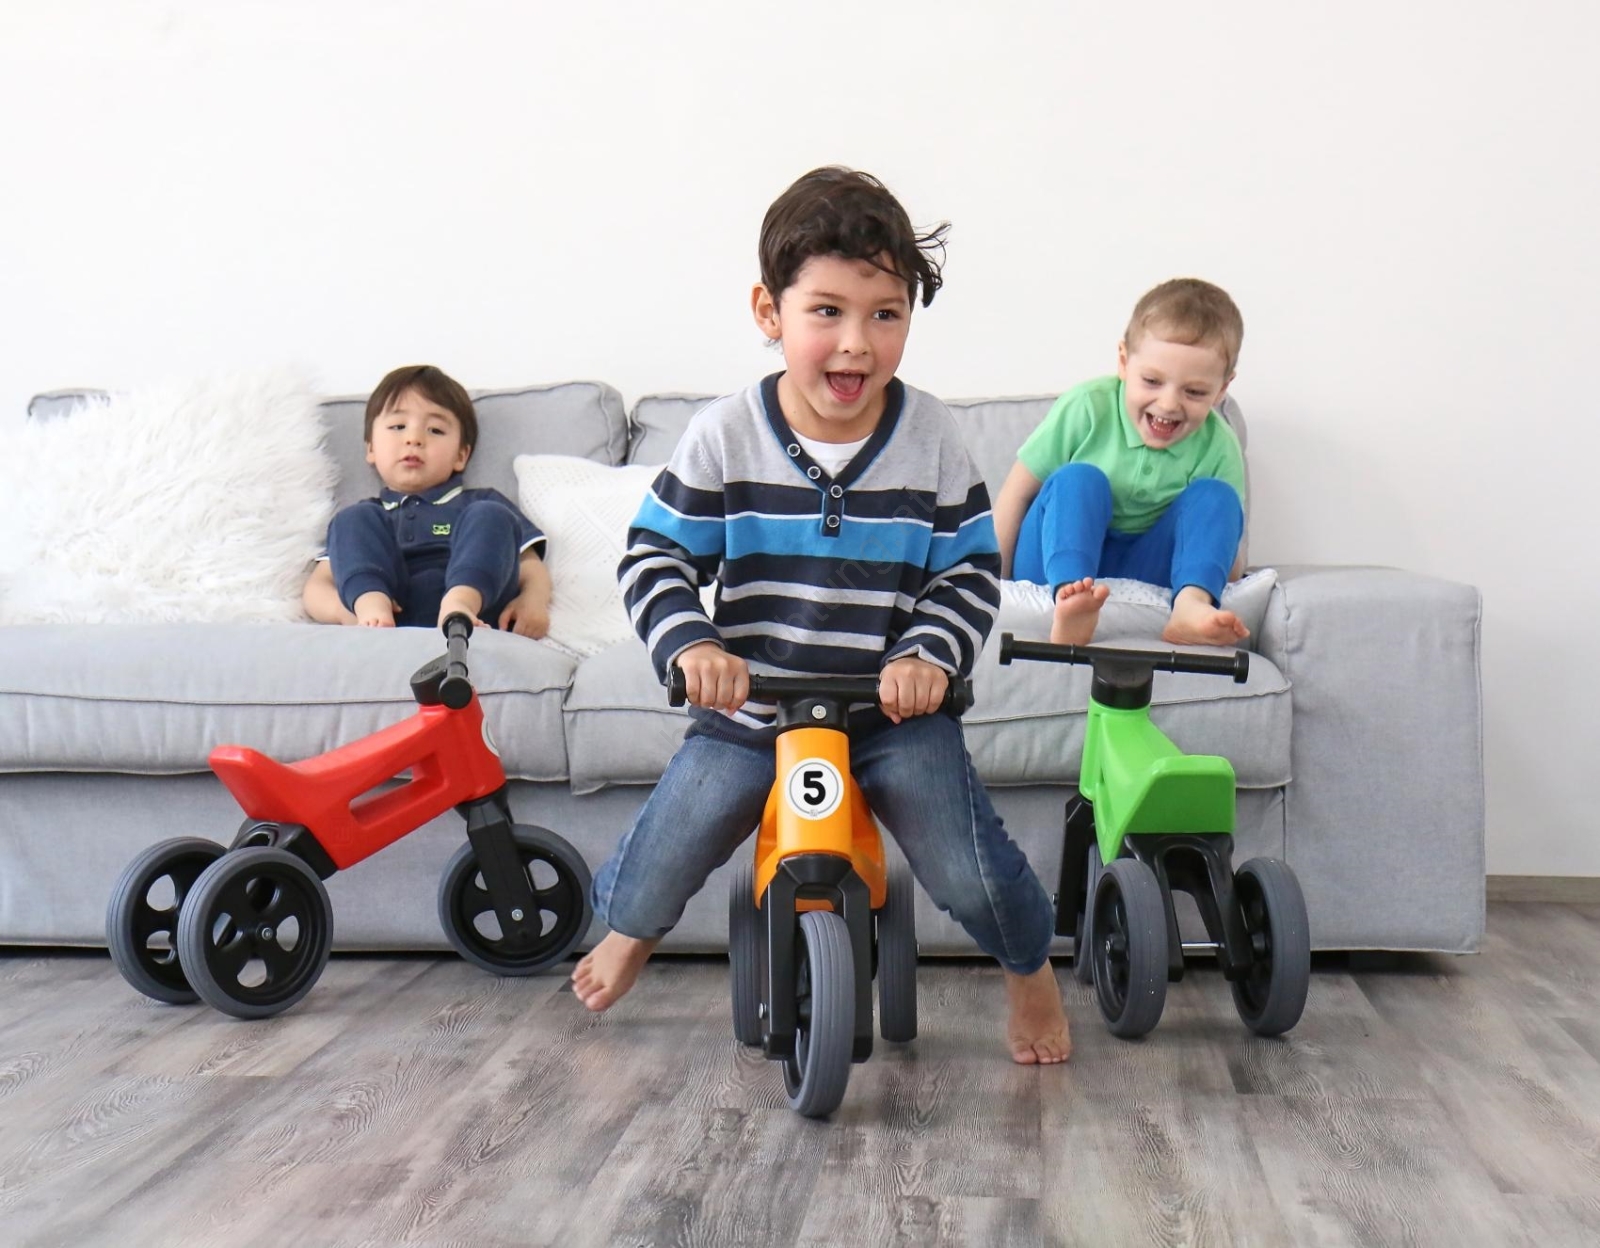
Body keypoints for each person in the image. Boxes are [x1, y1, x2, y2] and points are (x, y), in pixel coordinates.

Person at [571, 167, 1070, 1065]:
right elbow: (655, 558)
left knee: (968, 866)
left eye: (885, 315)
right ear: (770, 312)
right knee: (668, 851)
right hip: (754, 710)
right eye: (828, 312)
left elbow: (967, 574)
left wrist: (928, 656)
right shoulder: (727, 434)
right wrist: (694, 645)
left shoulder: (931, 437)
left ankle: (1030, 971)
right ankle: (633, 931)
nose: (856, 344)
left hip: (888, 715)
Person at [992, 279, 1249, 647]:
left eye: (1194, 392)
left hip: (1146, 568)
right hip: (1052, 560)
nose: (1168, 404)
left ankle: (1190, 606)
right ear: (1125, 362)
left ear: (1222, 389)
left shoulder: (1219, 444)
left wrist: (1213, 584)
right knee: (1079, 479)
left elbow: (1227, 548)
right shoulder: (1087, 407)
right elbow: (1016, 494)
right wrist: (990, 585)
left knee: (1217, 496)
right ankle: (1070, 598)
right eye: (1152, 381)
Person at [302, 364, 551, 636]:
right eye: (398, 426)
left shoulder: (480, 501)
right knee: (350, 518)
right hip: (389, 617)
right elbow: (318, 585)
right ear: (371, 448)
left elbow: (529, 566)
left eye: (435, 430)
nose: (414, 439)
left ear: (461, 456)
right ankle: (372, 607)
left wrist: (533, 601)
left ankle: (459, 603)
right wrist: (346, 613)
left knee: (491, 514)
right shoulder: (367, 516)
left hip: (474, 613)